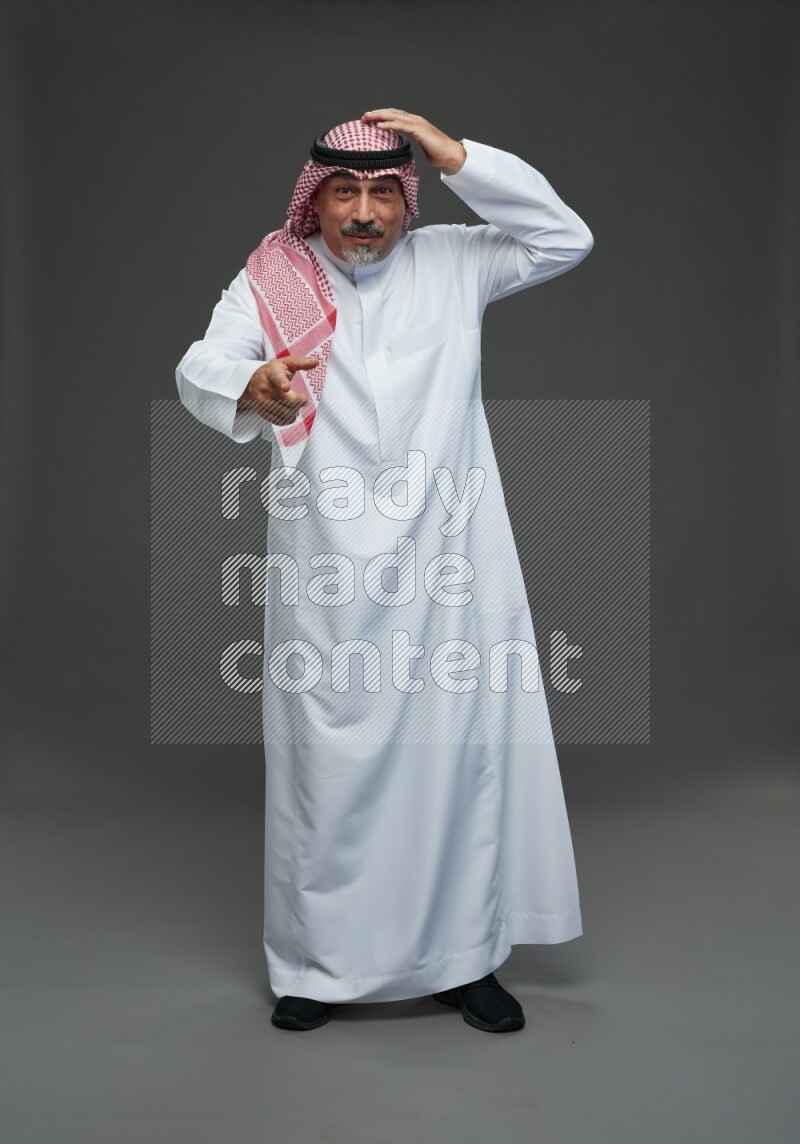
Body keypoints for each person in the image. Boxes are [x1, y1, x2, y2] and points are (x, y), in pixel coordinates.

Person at [176, 109, 593, 1034]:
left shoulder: (459, 260)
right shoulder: (272, 278)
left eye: (381, 193)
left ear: (407, 199)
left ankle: (464, 958)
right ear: (314, 200)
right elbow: (200, 363)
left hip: (451, 562)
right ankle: (315, 967)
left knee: (456, 759)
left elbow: (566, 237)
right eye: (342, 192)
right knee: (328, 766)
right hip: (326, 569)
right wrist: (253, 384)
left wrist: (459, 157)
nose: (362, 213)